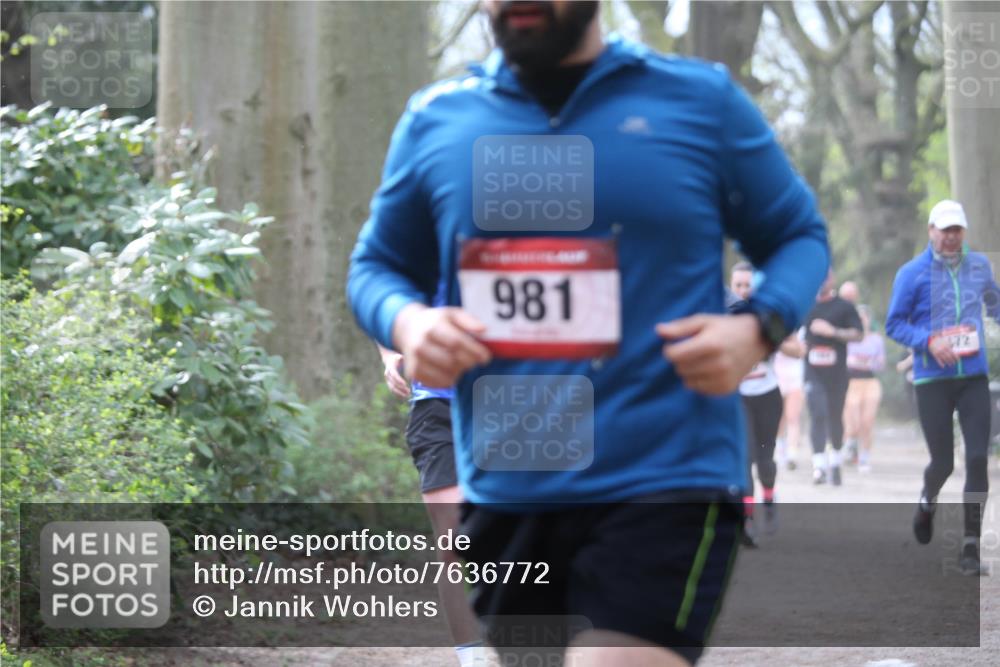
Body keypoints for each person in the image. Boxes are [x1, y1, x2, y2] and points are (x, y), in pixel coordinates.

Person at [347, 1, 830, 663]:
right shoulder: (439, 120)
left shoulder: (698, 101)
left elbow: (798, 236)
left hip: (664, 468)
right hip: (509, 482)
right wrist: (409, 320)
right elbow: (376, 267)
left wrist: (757, 326)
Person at [886, 199, 1000, 576]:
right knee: (943, 462)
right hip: (932, 379)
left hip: (972, 378)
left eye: (957, 230)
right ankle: (926, 502)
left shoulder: (980, 266)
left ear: (963, 232)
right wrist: (928, 341)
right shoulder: (912, 273)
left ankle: (970, 546)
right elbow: (894, 324)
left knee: (978, 457)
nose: (951, 237)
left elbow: (995, 306)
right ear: (931, 231)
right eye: (944, 230)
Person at [376, 339, 485, 666]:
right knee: (452, 540)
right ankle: (473, 659)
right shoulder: (424, 285)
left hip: (503, 406)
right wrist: (389, 355)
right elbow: (386, 296)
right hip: (435, 409)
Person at [730, 263, 805, 544]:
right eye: (738, 285)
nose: (743, 291)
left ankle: (770, 501)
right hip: (739, 397)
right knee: (745, 459)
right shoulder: (727, 315)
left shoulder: (771, 314)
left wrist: (770, 336)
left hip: (768, 396)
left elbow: (798, 350)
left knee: (765, 461)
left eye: (747, 285)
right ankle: (747, 520)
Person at [803, 269, 864, 486]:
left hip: (837, 372)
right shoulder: (804, 304)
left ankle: (835, 462)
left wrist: (833, 332)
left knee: (834, 416)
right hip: (812, 372)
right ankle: (818, 466)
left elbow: (859, 334)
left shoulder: (844, 307)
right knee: (818, 413)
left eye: (825, 276)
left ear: (832, 278)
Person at [842, 305, 886, 472]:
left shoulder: (876, 339)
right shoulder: (847, 340)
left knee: (867, 422)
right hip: (851, 383)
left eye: (863, 317)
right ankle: (850, 446)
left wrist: (869, 362)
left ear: (868, 320)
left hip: (870, 382)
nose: (861, 321)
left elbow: (881, 364)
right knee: (852, 424)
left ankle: (864, 456)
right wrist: (853, 361)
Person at [774, 330, 806, 471]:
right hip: (776, 378)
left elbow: (802, 351)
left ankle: (792, 454)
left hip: (795, 379)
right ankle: (779, 451)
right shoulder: (774, 327)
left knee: (793, 416)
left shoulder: (802, 330)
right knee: (778, 418)